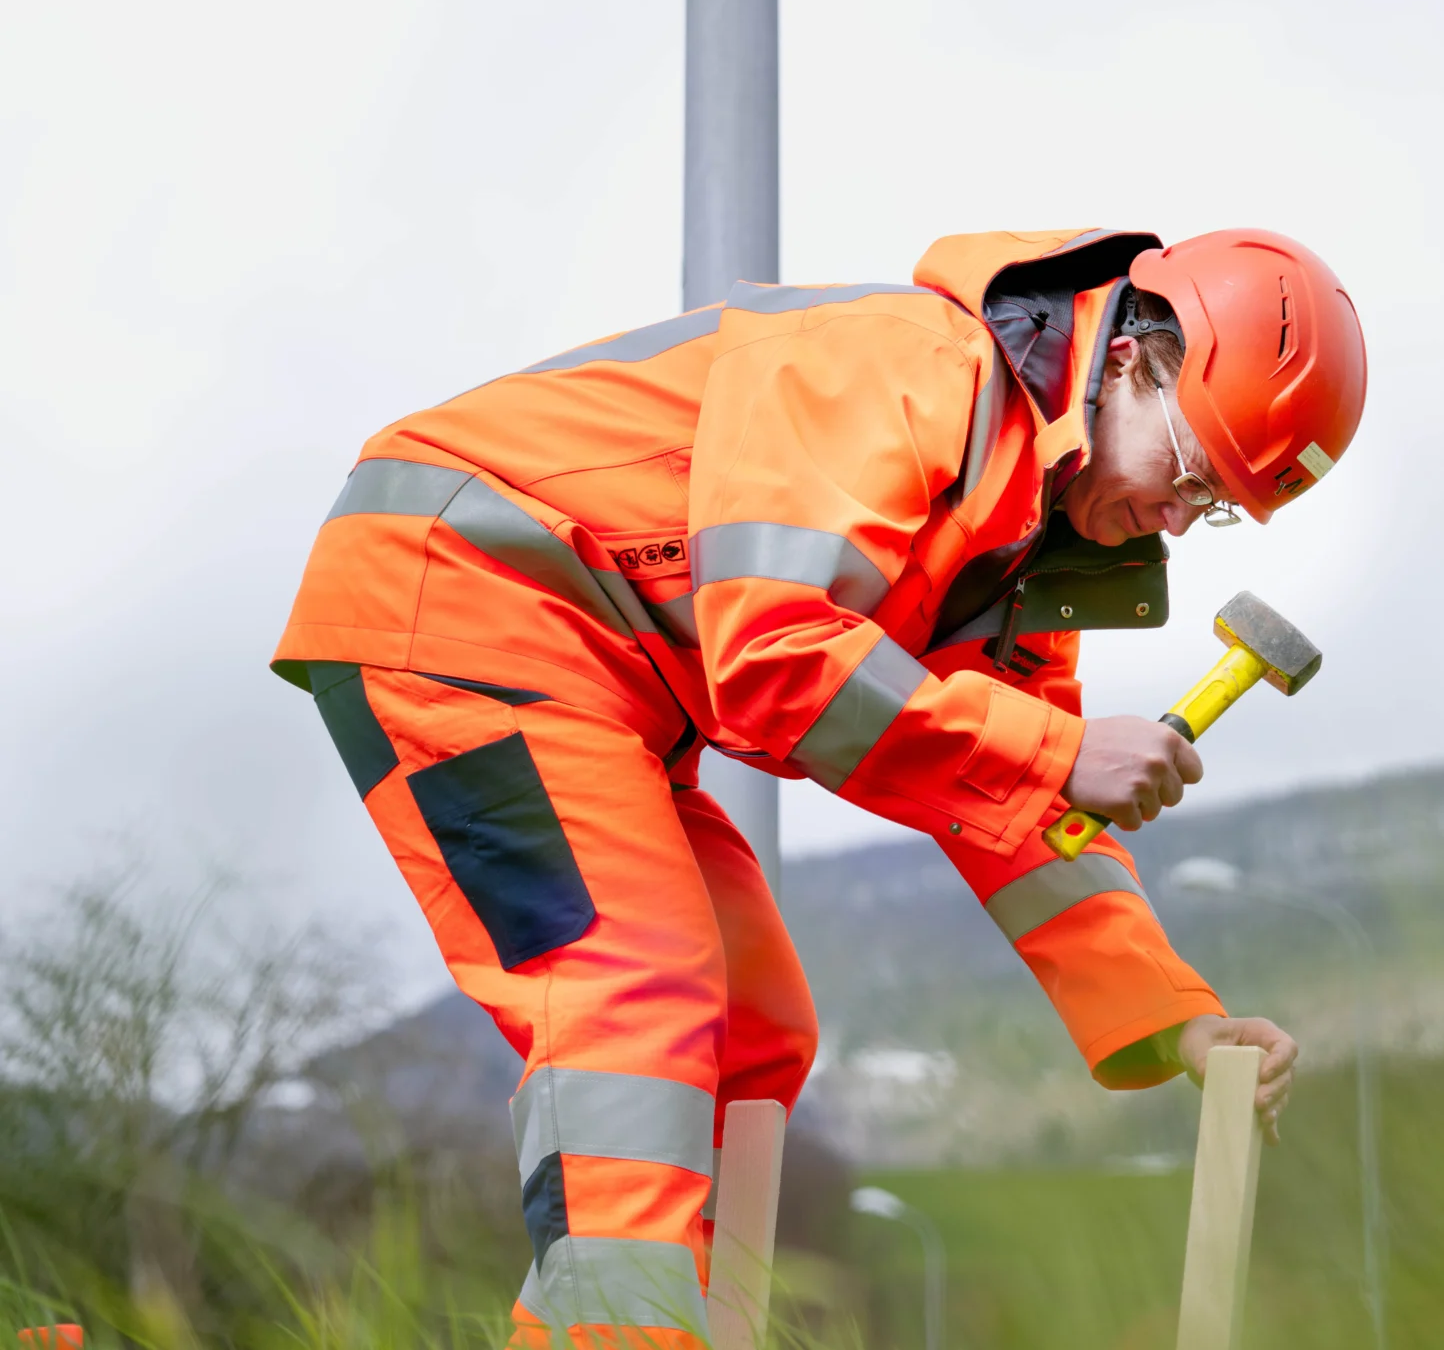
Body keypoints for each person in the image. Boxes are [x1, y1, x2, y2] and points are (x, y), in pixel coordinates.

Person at [271, 227, 1367, 1344]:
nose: (1179, 519)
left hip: (608, 682)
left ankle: (711, 1328)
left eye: (1216, 504)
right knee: (631, 986)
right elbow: (774, 656)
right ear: (1132, 364)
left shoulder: (1036, 553)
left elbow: (1023, 808)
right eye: (1187, 472)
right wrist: (1055, 750)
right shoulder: (904, 367)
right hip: (459, 594)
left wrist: (1181, 1020)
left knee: (757, 1024)